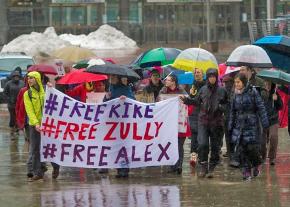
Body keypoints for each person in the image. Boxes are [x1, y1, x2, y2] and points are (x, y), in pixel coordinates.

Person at [180, 68, 227, 178]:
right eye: (210, 77)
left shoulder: (222, 90)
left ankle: (211, 167)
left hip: (216, 123)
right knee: (202, 144)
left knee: (215, 147)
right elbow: (196, 101)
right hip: (203, 121)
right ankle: (203, 166)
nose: (212, 79)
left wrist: (221, 107)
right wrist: (186, 100)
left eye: (214, 77)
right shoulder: (203, 90)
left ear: (216, 77)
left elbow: (227, 104)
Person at [228, 73, 269, 181]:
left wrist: (265, 123)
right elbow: (232, 111)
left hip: (252, 124)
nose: (236, 84)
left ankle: (256, 165)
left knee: (252, 148)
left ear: (244, 82)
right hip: (239, 125)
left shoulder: (252, 92)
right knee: (242, 149)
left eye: (238, 82)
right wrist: (230, 125)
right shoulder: (235, 94)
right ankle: (246, 172)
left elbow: (261, 107)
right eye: (235, 82)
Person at [23, 71, 60, 181]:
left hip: (48, 124)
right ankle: (37, 173)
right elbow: (29, 111)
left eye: (31, 78)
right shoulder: (27, 94)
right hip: (35, 126)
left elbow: (56, 102)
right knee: (35, 149)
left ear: (37, 79)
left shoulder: (47, 90)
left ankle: (56, 167)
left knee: (51, 147)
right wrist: (36, 124)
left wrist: (51, 88)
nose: (29, 80)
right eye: (28, 78)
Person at [104, 75, 135, 178]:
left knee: (124, 146)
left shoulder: (125, 88)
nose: (111, 79)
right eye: (110, 78)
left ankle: (124, 170)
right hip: (113, 121)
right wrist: (106, 97)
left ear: (118, 78)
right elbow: (105, 104)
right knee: (116, 146)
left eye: (113, 78)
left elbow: (133, 100)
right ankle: (119, 169)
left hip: (124, 121)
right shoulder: (110, 88)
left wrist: (126, 98)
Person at [159, 74, 191, 174]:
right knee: (170, 145)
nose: (166, 82)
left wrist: (185, 114)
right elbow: (158, 105)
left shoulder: (182, 92)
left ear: (173, 82)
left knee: (179, 145)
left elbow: (189, 105)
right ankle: (172, 165)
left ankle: (179, 165)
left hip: (180, 123)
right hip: (168, 124)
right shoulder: (163, 91)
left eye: (168, 80)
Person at [262, 81, 283, 165]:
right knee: (262, 141)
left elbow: (281, 106)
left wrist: (277, 99)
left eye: (269, 84)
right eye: (266, 84)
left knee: (273, 137)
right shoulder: (261, 93)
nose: (267, 86)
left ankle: (272, 158)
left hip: (273, 120)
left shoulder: (275, 93)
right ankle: (262, 156)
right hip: (263, 119)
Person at [187, 68, 205, 167]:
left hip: (202, 113)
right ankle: (193, 156)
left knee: (201, 136)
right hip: (193, 113)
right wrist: (190, 94)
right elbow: (190, 99)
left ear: (203, 74)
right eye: (195, 73)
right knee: (194, 135)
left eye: (198, 72)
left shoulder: (205, 85)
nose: (196, 74)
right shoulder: (192, 85)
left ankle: (202, 156)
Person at [4, 70, 24, 136]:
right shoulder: (8, 84)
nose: (16, 77)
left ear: (19, 76)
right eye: (14, 76)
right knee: (13, 116)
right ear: (12, 77)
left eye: (17, 76)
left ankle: (17, 127)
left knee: (18, 116)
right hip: (11, 104)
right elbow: (5, 93)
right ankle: (12, 128)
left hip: (20, 103)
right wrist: (9, 99)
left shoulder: (22, 83)